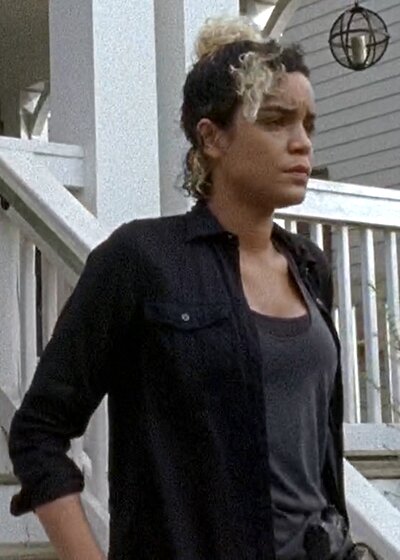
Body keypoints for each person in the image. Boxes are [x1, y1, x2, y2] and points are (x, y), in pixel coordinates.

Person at [8, 16, 366, 560]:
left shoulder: (309, 268)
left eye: (308, 125)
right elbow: (38, 432)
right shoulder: (141, 261)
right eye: (276, 121)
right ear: (211, 137)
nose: (302, 144)